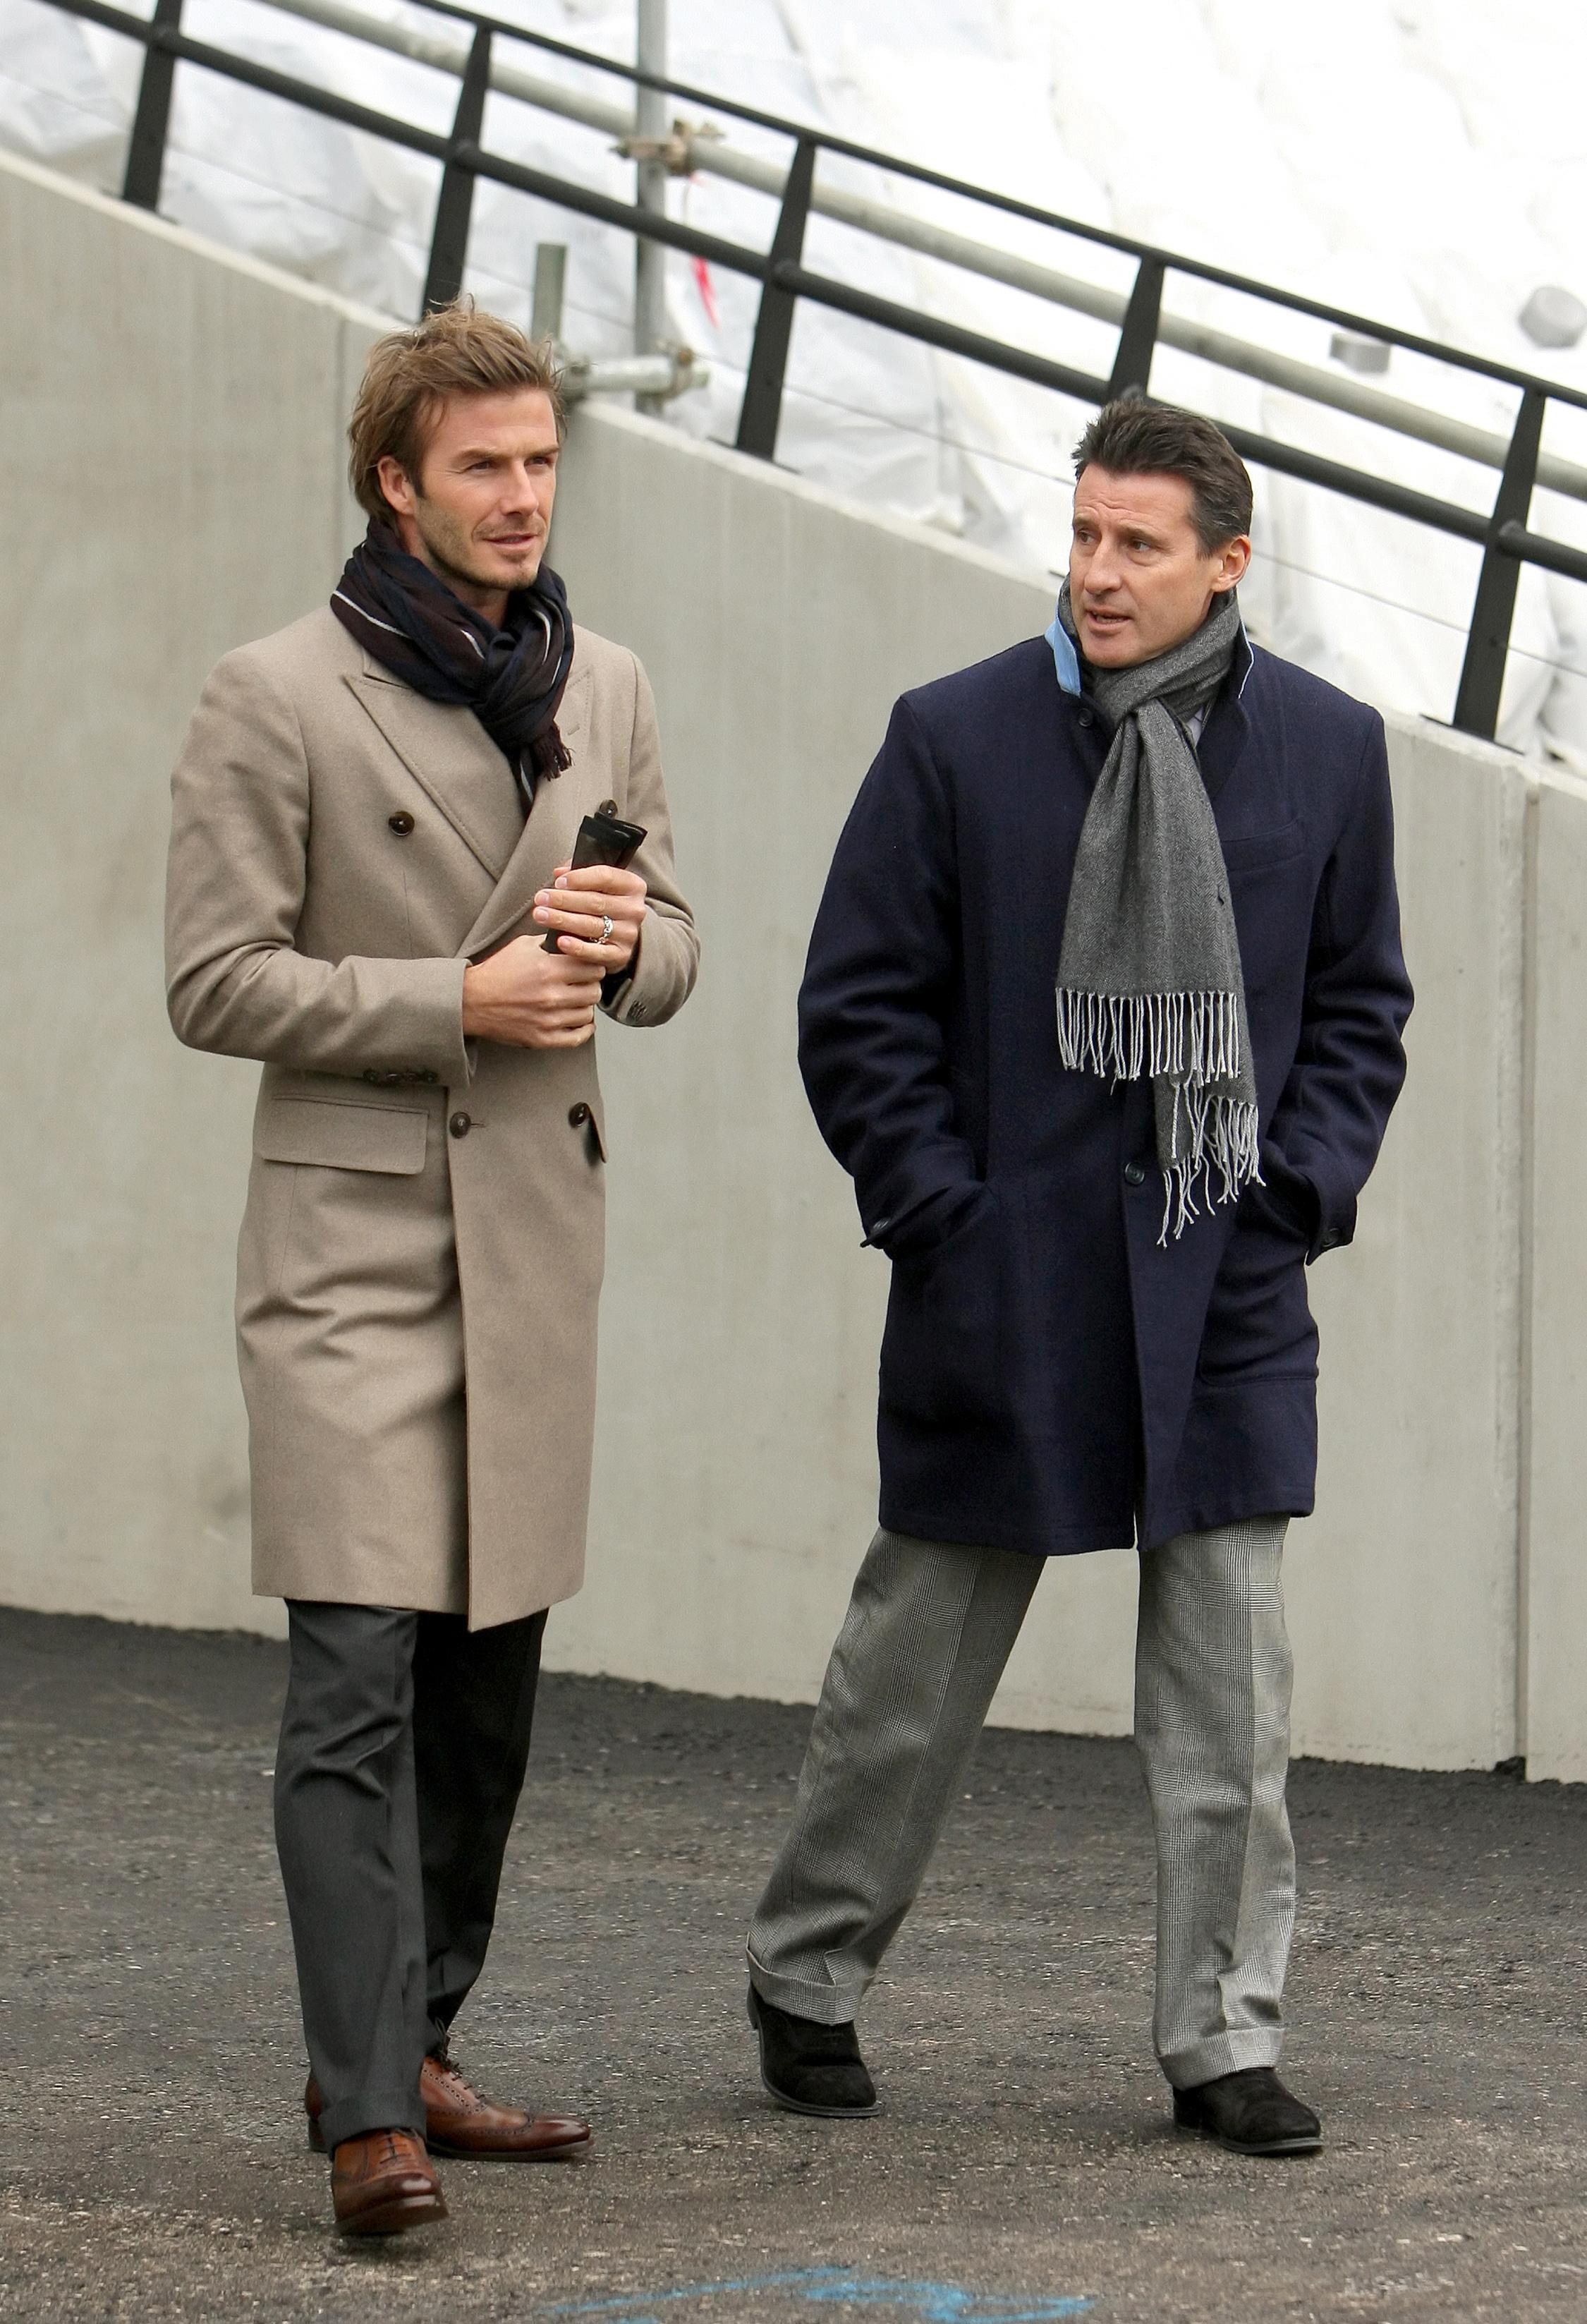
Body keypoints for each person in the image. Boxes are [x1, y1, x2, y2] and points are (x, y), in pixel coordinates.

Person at [745, 399, 1411, 2158]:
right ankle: (807, 1973)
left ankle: (1221, 2036)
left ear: (1226, 563)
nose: (1098, 573)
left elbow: (1360, 1008)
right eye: (1086, 534)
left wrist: (1301, 1192)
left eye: (1139, 545)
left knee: (1231, 1712)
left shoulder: (1331, 752)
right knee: (908, 1683)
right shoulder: (955, 737)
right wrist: (941, 1215)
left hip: (1229, 1285)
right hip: (1008, 1277)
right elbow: (858, 1008)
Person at [165, 303, 698, 2235]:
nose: (522, 496)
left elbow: (678, 942)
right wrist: (445, 992)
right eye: (484, 465)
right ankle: (364, 2109)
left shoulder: (606, 681)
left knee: (489, 1693)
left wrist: (625, 940)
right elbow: (211, 980)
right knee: (353, 1686)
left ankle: (420, 2040)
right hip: (353, 1242)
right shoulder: (275, 690)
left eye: (543, 462)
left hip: (531, 1245)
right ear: (397, 480)